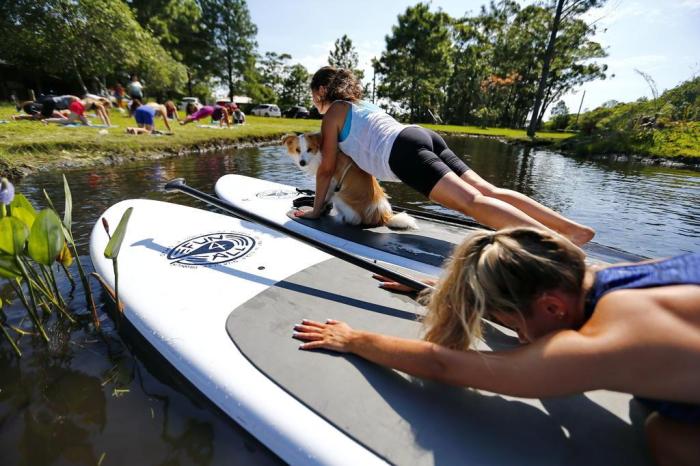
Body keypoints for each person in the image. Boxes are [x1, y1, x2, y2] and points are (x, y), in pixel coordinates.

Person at [292, 227, 700, 466]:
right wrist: (445, 293)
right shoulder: (614, 276)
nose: (516, 336)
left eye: (510, 322)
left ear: (553, 306)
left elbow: (445, 366)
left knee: (664, 435)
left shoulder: (606, 342)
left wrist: (355, 339)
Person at [297, 66, 595, 246]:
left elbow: (327, 168)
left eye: (314, 97)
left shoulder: (335, 111)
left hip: (402, 151)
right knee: (486, 191)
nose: (314, 104)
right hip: (420, 135)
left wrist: (316, 209)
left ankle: (556, 244)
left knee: (472, 203)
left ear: (322, 90)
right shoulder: (363, 105)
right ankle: (572, 230)